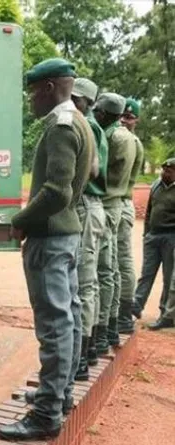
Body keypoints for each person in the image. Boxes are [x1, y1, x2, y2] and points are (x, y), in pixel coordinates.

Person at [0, 58, 94, 441]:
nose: (30, 100)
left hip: (50, 238)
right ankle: (59, 393)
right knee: (67, 319)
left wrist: (21, 220)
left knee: (54, 327)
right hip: (66, 235)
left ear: (50, 87)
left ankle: (46, 415)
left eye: (33, 92)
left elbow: (57, 192)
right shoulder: (80, 123)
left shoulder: (61, 127)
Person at [92, 93, 138, 354]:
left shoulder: (112, 137)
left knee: (105, 271)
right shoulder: (131, 139)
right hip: (119, 202)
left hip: (109, 203)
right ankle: (114, 322)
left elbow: (102, 171)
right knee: (114, 268)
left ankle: (106, 327)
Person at [70, 78, 108, 380]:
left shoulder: (89, 126)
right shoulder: (91, 123)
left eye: (77, 98)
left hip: (87, 202)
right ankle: (88, 349)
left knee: (84, 283)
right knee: (90, 281)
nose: (72, 102)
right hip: (92, 205)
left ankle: (82, 357)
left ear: (89, 102)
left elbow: (91, 170)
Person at [131, 158, 175, 324]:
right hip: (153, 237)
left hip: (171, 238)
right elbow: (149, 211)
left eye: (169, 171)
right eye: (164, 170)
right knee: (146, 274)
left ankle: (165, 314)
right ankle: (136, 307)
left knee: (168, 277)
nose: (165, 173)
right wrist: (146, 234)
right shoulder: (156, 185)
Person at [116, 98, 144, 334]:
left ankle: (124, 313)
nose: (125, 121)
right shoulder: (129, 141)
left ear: (136, 120)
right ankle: (121, 312)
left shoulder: (128, 142)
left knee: (122, 261)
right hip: (120, 204)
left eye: (130, 117)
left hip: (121, 202)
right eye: (122, 116)